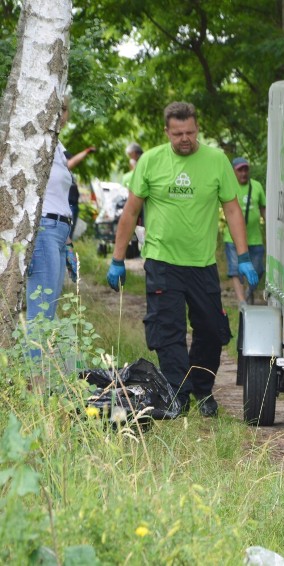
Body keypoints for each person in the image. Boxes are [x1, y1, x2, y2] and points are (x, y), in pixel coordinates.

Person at [106, 101, 258, 417]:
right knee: (167, 330)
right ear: (167, 131)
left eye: (189, 132)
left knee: (212, 328)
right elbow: (131, 211)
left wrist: (243, 257)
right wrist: (117, 258)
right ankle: (178, 394)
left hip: (202, 263)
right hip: (162, 261)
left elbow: (231, 209)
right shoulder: (150, 162)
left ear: (197, 128)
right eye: (177, 134)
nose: (184, 139)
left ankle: (202, 388)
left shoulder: (216, 161)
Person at [25, 97, 77, 355]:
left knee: (50, 311)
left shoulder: (58, 145)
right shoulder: (32, 143)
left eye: (64, 109)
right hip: (43, 231)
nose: (61, 115)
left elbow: (59, 197)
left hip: (60, 232)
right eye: (56, 109)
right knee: (41, 315)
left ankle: (42, 380)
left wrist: (68, 243)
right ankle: (34, 385)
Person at [224, 157, 266, 305]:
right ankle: (242, 302)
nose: (243, 173)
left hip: (254, 238)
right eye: (239, 170)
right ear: (233, 171)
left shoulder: (256, 186)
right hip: (232, 239)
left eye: (245, 169)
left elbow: (263, 208)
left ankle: (249, 291)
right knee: (235, 270)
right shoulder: (228, 185)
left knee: (259, 269)